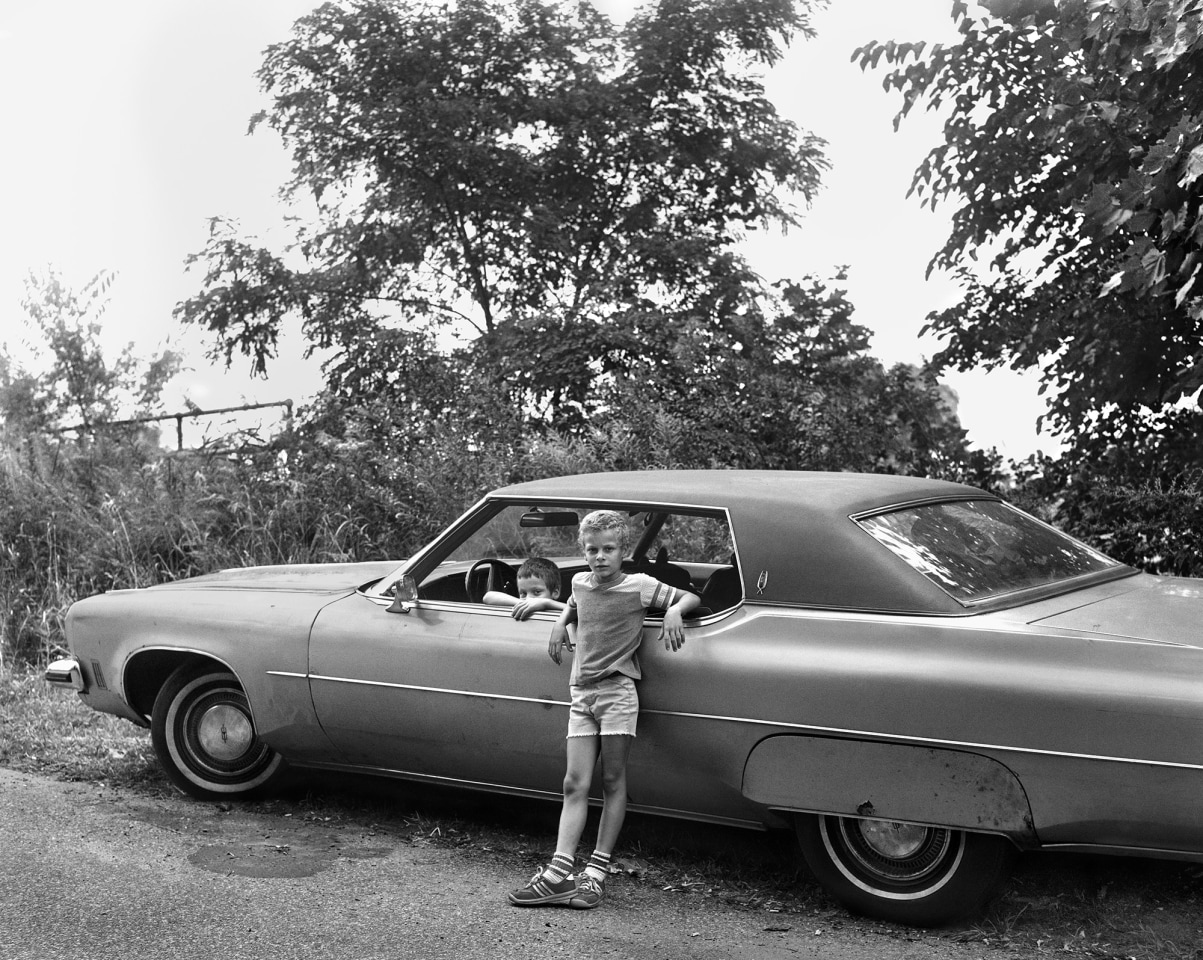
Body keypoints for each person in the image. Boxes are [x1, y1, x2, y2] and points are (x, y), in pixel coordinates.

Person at [507, 509, 700, 910]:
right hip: (582, 695)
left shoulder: (639, 587)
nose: (600, 557)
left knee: (613, 781)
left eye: (609, 549)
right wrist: (561, 620)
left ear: (622, 550)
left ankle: (596, 871)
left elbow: (691, 596)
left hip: (617, 694)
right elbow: (577, 601)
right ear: (583, 550)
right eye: (592, 549)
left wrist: (675, 610)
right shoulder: (579, 581)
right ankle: (559, 873)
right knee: (573, 783)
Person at [483, 557, 566, 619]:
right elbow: (488, 597)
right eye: (523, 593)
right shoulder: (524, 605)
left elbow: (577, 611)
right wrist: (522, 603)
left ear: (555, 592)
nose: (528, 599)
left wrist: (546, 603)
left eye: (537, 592)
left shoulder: (563, 612)